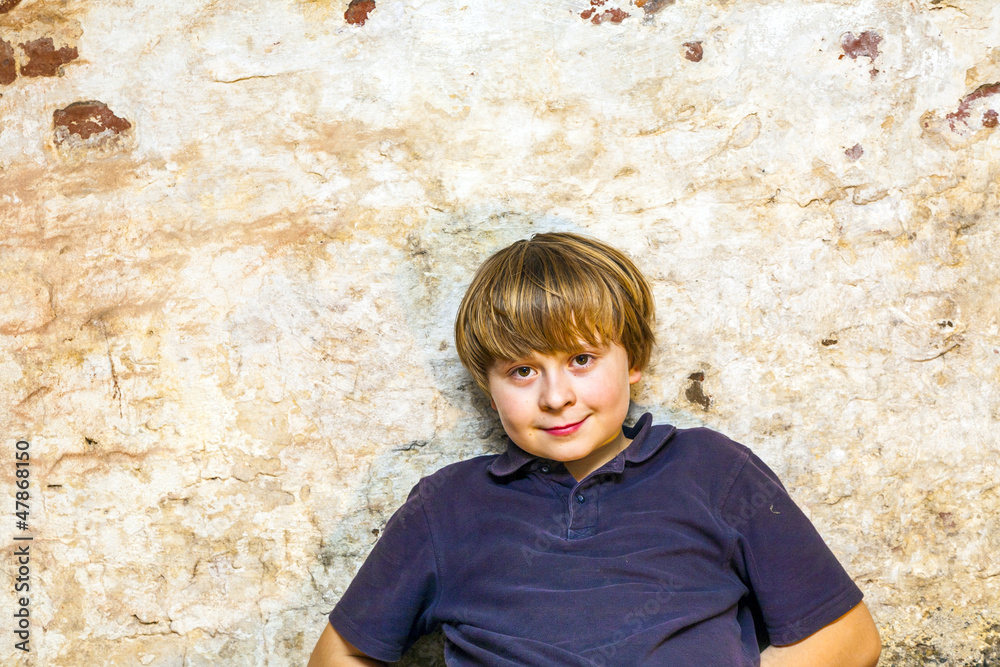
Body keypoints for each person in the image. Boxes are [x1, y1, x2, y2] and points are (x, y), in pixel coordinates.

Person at [308, 232, 881, 666]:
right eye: (523, 370)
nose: (557, 397)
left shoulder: (713, 473)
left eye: (581, 360)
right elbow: (340, 656)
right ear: (488, 386)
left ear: (633, 361)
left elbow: (849, 638)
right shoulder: (447, 507)